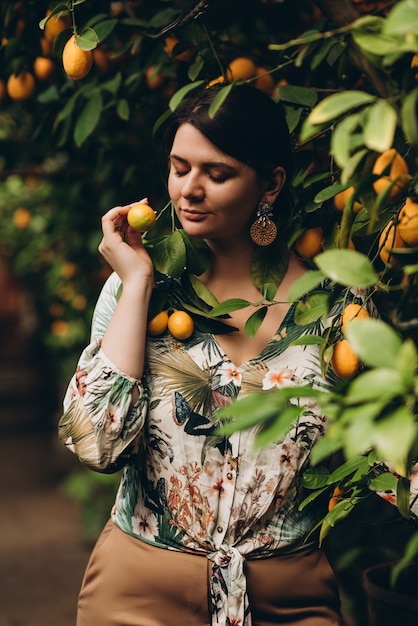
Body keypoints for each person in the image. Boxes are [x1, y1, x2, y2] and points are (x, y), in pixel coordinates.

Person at [58, 83, 354, 626]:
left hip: (291, 598)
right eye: (178, 167)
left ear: (270, 185)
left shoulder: (337, 309)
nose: (189, 190)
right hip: (139, 595)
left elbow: (382, 450)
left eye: (216, 174)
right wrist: (139, 278)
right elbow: (96, 445)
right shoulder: (142, 294)